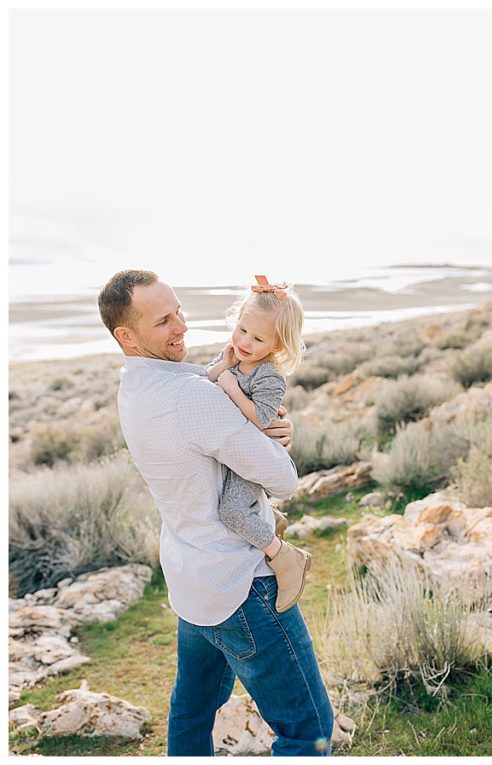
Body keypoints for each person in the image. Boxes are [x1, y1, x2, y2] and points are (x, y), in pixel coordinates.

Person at [99, 270, 334, 756]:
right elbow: (284, 480)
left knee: (191, 715)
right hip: (240, 584)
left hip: (190, 582)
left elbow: (205, 392)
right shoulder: (192, 398)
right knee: (308, 729)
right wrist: (279, 439)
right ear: (127, 335)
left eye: (179, 309)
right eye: (164, 320)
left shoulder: (136, 387)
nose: (181, 324)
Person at [206, 276, 312, 613]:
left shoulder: (269, 376)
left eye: (258, 338)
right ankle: (268, 520)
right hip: (233, 452)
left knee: (232, 510)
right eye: (242, 330)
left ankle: (287, 558)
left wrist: (232, 388)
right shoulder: (233, 357)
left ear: (277, 346)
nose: (245, 341)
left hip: (254, 457)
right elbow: (208, 380)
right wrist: (223, 366)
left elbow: (263, 419)